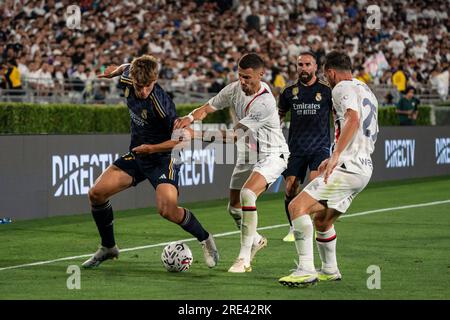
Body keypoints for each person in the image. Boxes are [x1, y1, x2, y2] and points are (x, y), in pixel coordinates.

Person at [82, 55, 219, 269]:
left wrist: (152, 148)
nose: (143, 91)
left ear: (155, 81)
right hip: (139, 154)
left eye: (148, 86)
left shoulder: (162, 106)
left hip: (163, 158)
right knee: (96, 194)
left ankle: (206, 239)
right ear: (133, 79)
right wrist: (114, 71)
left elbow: (179, 140)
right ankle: (108, 247)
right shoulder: (129, 76)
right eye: (139, 85)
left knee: (167, 210)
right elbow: (126, 67)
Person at [174, 53, 290, 273]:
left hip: (272, 154)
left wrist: (195, 134)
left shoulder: (265, 103)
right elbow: (208, 107)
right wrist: (190, 117)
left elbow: (235, 135)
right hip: (248, 155)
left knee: (248, 194)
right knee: (234, 208)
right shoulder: (234, 89)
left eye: (248, 78)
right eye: (240, 76)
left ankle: (243, 258)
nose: (243, 82)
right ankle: (255, 240)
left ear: (261, 75)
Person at [278, 51, 379, 287]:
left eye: (327, 75)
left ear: (331, 72)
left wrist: (335, 155)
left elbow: (352, 120)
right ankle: (330, 269)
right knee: (322, 222)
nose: (328, 79)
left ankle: (305, 270)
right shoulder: (366, 90)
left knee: (296, 207)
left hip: (348, 165)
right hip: (363, 167)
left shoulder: (340, 88)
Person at [278, 52, 332, 242]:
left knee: (315, 182)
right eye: (300, 64)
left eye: (307, 64)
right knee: (291, 188)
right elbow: (280, 114)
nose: (303, 68)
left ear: (316, 67)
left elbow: (338, 114)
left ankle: (316, 224)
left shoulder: (327, 90)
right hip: (296, 148)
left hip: (320, 147)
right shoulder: (288, 91)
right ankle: (294, 227)